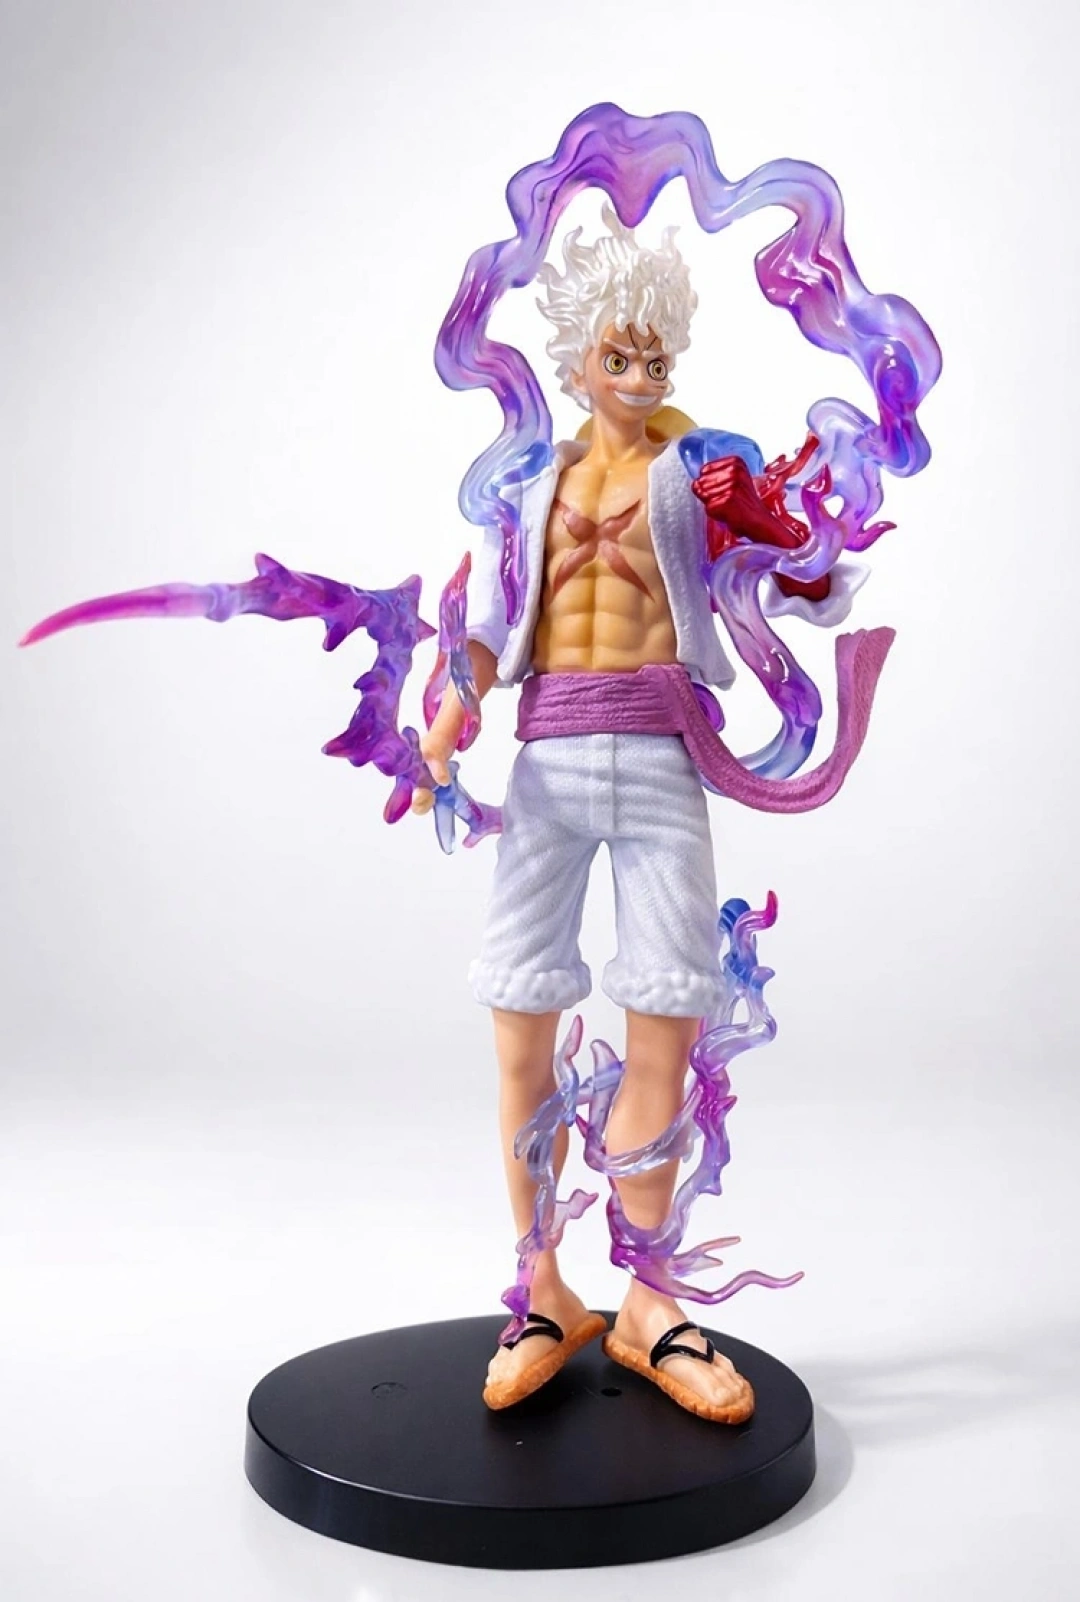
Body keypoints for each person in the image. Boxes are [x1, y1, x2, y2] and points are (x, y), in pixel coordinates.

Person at [414, 208, 857, 1422]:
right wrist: (448, 721)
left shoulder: (703, 465)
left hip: (661, 752)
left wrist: (765, 520)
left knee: (665, 1013)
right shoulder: (531, 483)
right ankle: (541, 1288)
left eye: (658, 354)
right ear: (577, 359)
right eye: (621, 353)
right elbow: (490, 624)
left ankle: (651, 1301)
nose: (643, 373)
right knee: (520, 1018)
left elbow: (814, 579)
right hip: (549, 759)